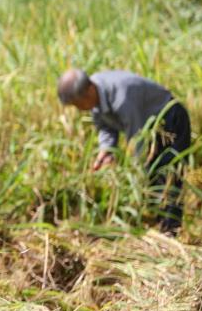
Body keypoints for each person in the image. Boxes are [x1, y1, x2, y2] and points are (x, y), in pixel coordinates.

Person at [57, 68, 191, 233]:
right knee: (153, 176)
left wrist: (134, 176)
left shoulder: (122, 97)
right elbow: (105, 126)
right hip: (147, 127)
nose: (79, 109)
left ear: (88, 91)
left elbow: (138, 139)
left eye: (78, 104)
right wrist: (106, 151)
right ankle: (157, 224)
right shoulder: (96, 93)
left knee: (170, 174)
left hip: (169, 120)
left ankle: (171, 230)